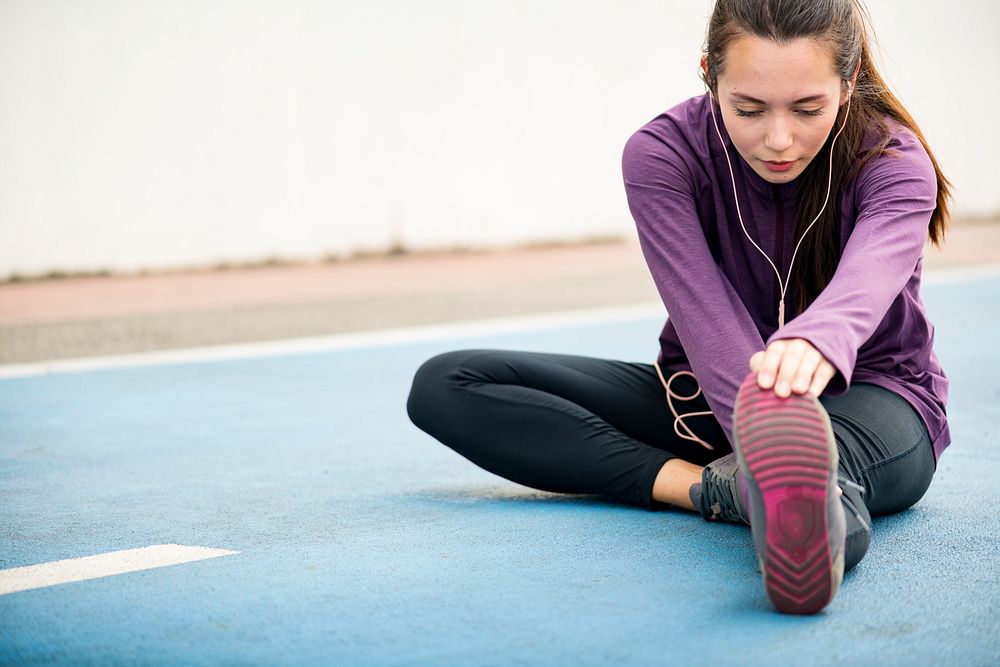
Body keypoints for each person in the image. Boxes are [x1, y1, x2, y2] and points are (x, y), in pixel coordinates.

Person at [406, 0, 951, 615]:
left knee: (807, 479)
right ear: (708, 74)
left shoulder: (894, 163)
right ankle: (707, 489)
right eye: (748, 108)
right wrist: (757, 420)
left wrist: (815, 343)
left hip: (874, 400)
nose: (778, 139)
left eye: (807, 109)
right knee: (447, 384)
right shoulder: (662, 155)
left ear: (849, 83)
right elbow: (703, 316)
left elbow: (865, 281)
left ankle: (793, 501)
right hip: (707, 402)